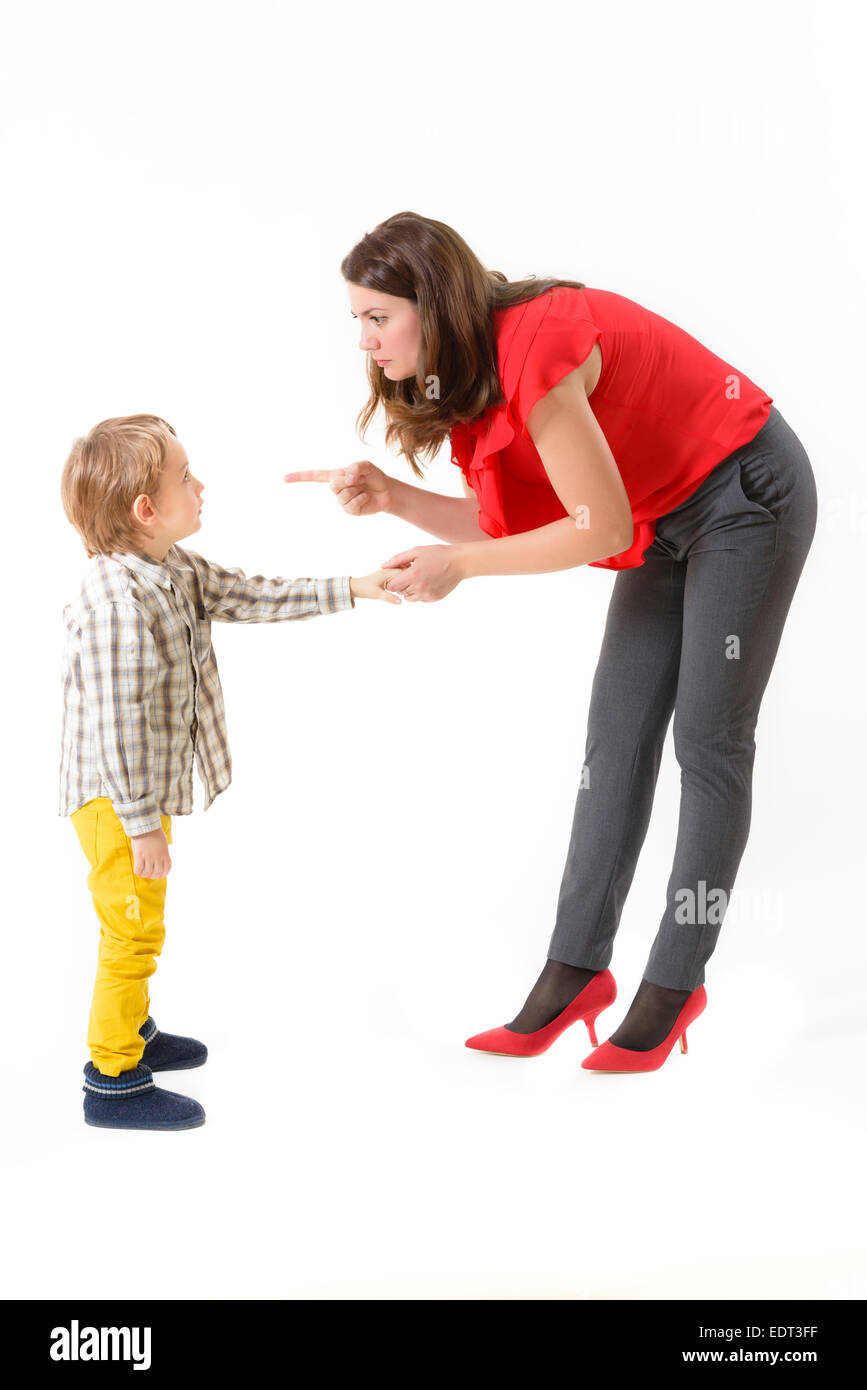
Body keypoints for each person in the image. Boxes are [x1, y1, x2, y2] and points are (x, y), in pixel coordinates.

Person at [285, 210, 818, 1074]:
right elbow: (520, 520)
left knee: (708, 742)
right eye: (357, 321)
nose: (365, 341)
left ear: (430, 301)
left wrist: (458, 567)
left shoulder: (536, 348)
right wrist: (391, 496)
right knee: (613, 740)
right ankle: (575, 971)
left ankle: (674, 984)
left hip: (743, 491)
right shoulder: (473, 377)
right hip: (660, 516)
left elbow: (591, 525)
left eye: (376, 317)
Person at [59, 414, 399, 1130]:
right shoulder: (116, 601)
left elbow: (251, 594)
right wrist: (141, 823)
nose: (202, 485)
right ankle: (112, 1080)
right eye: (187, 477)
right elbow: (119, 730)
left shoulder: (172, 568)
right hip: (117, 802)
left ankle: (136, 1032)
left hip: (136, 801)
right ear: (144, 511)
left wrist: (356, 587)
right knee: (130, 933)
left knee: (140, 921)